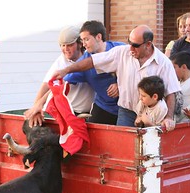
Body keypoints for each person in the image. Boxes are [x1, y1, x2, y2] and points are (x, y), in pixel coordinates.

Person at [52, 25, 180, 131]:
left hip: (153, 114)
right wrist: (66, 70)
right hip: (126, 112)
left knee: (148, 153)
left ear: (148, 44)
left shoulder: (164, 63)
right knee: (123, 148)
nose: (130, 48)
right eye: (129, 42)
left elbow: (171, 92)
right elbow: (92, 61)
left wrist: (168, 117)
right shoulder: (122, 52)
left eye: (135, 45)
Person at [24, 26, 94, 127]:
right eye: (62, 45)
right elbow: (47, 85)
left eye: (70, 45)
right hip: (69, 112)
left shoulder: (89, 57)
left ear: (79, 43)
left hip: (90, 112)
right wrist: (36, 108)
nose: (66, 49)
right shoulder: (61, 62)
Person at [63, 20, 125, 125]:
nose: (84, 44)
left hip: (127, 108)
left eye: (86, 39)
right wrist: (39, 104)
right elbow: (60, 83)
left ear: (99, 37)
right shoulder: (83, 63)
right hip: (103, 108)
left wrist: (120, 84)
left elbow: (138, 72)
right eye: (82, 40)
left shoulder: (121, 49)